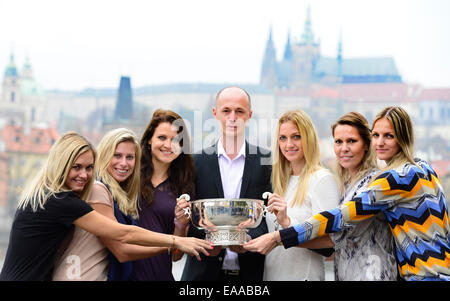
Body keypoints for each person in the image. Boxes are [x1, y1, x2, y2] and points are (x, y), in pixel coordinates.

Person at [244, 106, 450, 281]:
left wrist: (279, 236)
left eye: (389, 136)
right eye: (376, 135)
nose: (380, 142)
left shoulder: (392, 179)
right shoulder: (421, 167)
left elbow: (339, 221)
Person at [0, 132, 212, 281]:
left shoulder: (48, 194)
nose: (84, 175)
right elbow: (122, 234)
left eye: (89, 168)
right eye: (76, 167)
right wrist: (176, 241)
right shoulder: (61, 201)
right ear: (60, 165)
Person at [179, 86, 272, 281]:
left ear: (249, 115)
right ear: (215, 114)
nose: (233, 117)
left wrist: (248, 239)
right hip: (202, 275)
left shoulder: (266, 161)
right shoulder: (196, 162)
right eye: (226, 110)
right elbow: (191, 217)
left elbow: (267, 217)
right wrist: (206, 241)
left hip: (250, 275)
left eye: (240, 111)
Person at [52, 128, 171, 281]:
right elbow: (122, 250)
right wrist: (174, 243)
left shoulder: (121, 196)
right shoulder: (97, 189)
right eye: (117, 155)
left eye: (130, 157)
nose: (124, 163)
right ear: (104, 155)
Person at [263, 109, 339, 280]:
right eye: (283, 138)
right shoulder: (280, 182)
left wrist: (287, 222)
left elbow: (331, 242)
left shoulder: (322, 179)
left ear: (309, 138)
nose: (289, 144)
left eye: (296, 136)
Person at [329, 112, 397, 280]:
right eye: (338, 142)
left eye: (351, 141)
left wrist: (281, 237)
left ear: (366, 144)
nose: (344, 148)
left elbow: (337, 237)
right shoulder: (344, 186)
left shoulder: (373, 184)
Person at [131, 109, 195, 281]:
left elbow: (176, 256)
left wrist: (180, 226)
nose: (168, 145)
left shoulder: (184, 187)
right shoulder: (129, 176)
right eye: (162, 138)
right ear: (149, 140)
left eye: (175, 140)